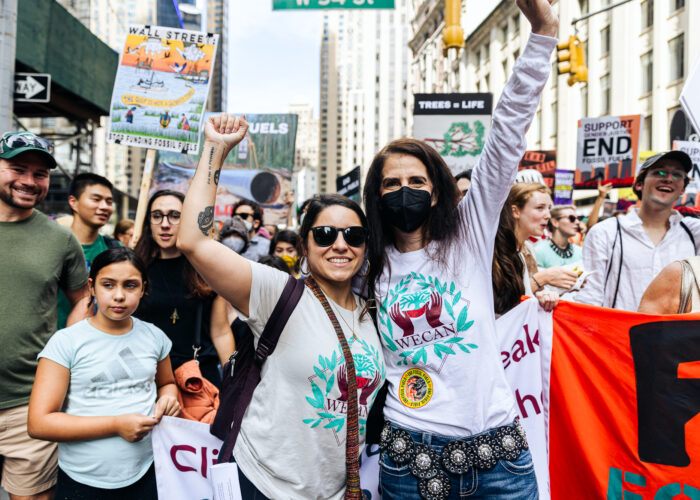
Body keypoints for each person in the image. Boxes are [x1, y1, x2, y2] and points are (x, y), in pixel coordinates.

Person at [361, 1, 558, 497]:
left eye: (416, 180)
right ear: (374, 196)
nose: (404, 191)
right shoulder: (364, 265)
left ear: (437, 188)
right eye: (391, 184)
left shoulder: (469, 235)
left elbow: (507, 131)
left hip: (500, 456)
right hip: (410, 459)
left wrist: (543, 32)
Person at [177, 113, 385, 499]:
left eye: (353, 235)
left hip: (336, 491)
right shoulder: (279, 291)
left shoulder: (374, 310)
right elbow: (193, 241)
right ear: (305, 245)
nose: (340, 245)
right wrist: (214, 150)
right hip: (262, 484)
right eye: (325, 234)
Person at [27, 247, 180, 499]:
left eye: (130, 286)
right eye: (108, 285)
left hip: (147, 472)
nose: (119, 296)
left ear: (143, 289)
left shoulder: (155, 337)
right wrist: (115, 425)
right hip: (82, 479)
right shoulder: (66, 342)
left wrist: (168, 397)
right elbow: (39, 423)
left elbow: (167, 382)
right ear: (91, 287)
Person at [0, 131, 91, 500]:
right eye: (18, 168)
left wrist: (62, 364)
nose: (29, 181)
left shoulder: (60, 239)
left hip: (30, 404)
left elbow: (83, 299)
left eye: (40, 174)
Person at [574, 151, 700, 311]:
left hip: (677, 334)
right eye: (659, 172)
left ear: (683, 189)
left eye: (677, 175)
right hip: (621, 334)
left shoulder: (694, 233)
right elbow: (589, 298)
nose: (668, 178)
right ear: (639, 184)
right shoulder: (606, 233)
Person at [133, 190, 234, 387]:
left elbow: (220, 332)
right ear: (148, 223)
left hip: (199, 380)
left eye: (174, 216)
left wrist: (233, 384)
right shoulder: (135, 270)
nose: (164, 224)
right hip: (148, 379)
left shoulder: (206, 269)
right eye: (156, 216)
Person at [57, 173, 119, 329]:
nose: (104, 206)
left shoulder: (115, 249)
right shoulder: (52, 246)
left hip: (99, 343)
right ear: (73, 202)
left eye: (109, 201)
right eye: (96, 199)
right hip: (52, 343)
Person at [493, 183, 561, 316]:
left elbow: (533, 295)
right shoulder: (493, 250)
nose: (547, 215)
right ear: (515, 211)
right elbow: (501, 304)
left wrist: (545, 296)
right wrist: (542, 278)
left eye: (549, 208)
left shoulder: (528, 249)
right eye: (540, 208)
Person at [534, 204, 583, 269]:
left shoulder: (580, 251)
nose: (577, 222)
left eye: (578, 218)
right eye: (572, 218)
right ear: (555, 222)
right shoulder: (539, 252)